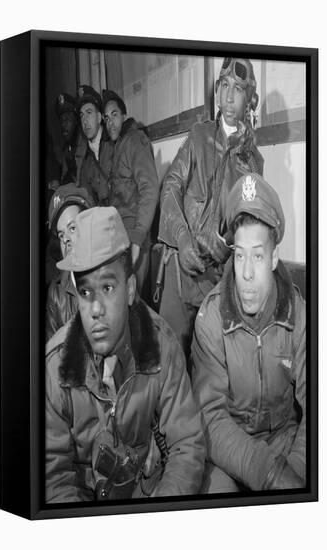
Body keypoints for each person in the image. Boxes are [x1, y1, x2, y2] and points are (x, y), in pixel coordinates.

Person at [46, 206, 205, 503]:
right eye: (85, 292)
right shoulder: (55, 368)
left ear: (130, 289)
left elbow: (187, 445)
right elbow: (53, 478)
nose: (95, 309)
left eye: (107, 287)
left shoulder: (161, 344)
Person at [191, 173, 306, 493]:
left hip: (287, 443)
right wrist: (267, 473)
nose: (246, 273)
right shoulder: (210, 318)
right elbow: (210, 418)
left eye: (257, 255)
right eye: (239, 255)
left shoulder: (297, 312)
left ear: (273, 257)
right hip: (228, 449)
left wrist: (293, 469)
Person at [158, 58, 263, 360]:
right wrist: (181, 237)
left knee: (209, 369)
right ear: (217, 92)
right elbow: (171, 187)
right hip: (180, 271)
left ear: (249, 99)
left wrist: (226, 246)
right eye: (225, 86)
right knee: (169, 363)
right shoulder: (198, 137)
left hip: (217, 281)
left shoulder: (254, 162)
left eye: (239, 89)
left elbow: (251, 226)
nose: (230, 97)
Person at [102, 90, 159, 295]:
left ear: (124, 115)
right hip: (122, 240)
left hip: (136, 240)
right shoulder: (119, 146)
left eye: (114, 115)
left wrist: (136, 240)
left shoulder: (135, 140)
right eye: (106, 119)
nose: (110, 123)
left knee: (134, 304)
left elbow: (150, 189)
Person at [45, 184, 94, 341]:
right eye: (61, 234)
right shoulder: (56, 294)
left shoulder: (115, 277)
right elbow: (51, 357)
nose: (65, 239)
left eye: (72, 228)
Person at [76, 85, 114, 205]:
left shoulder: (114, 143)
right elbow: (87, 199)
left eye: (89, 113)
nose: (85, 121)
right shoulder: (85, 158)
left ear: (99, 117)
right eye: (81, 115)